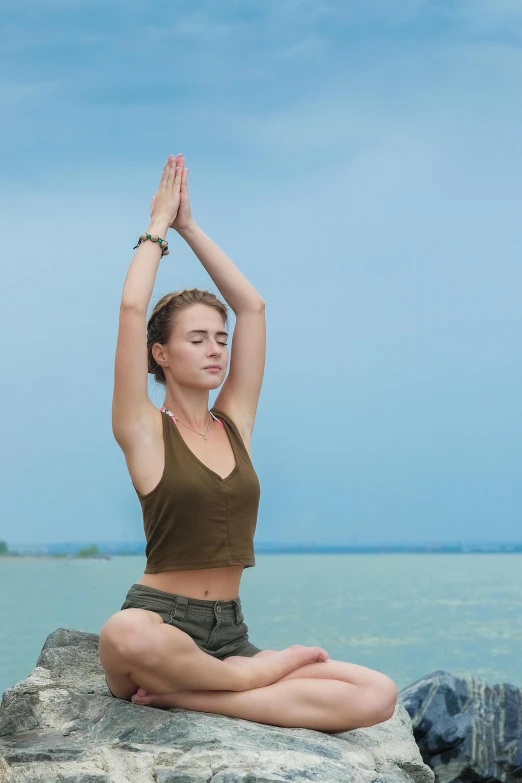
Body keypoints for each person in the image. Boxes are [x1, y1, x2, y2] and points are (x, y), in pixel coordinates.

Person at [98, 154, 398, 732]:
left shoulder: (234, 423)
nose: (216, 349)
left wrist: (192, 227)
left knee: (376, 694)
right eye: (197, 339)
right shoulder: (142, 429)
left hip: (229, 636)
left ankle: (203, 696)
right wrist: (158, 227)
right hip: (162, 630)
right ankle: (245, 681)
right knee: (122, 631)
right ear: (160, 354)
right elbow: (133, 308)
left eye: (220, 339)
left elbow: (253, 307)